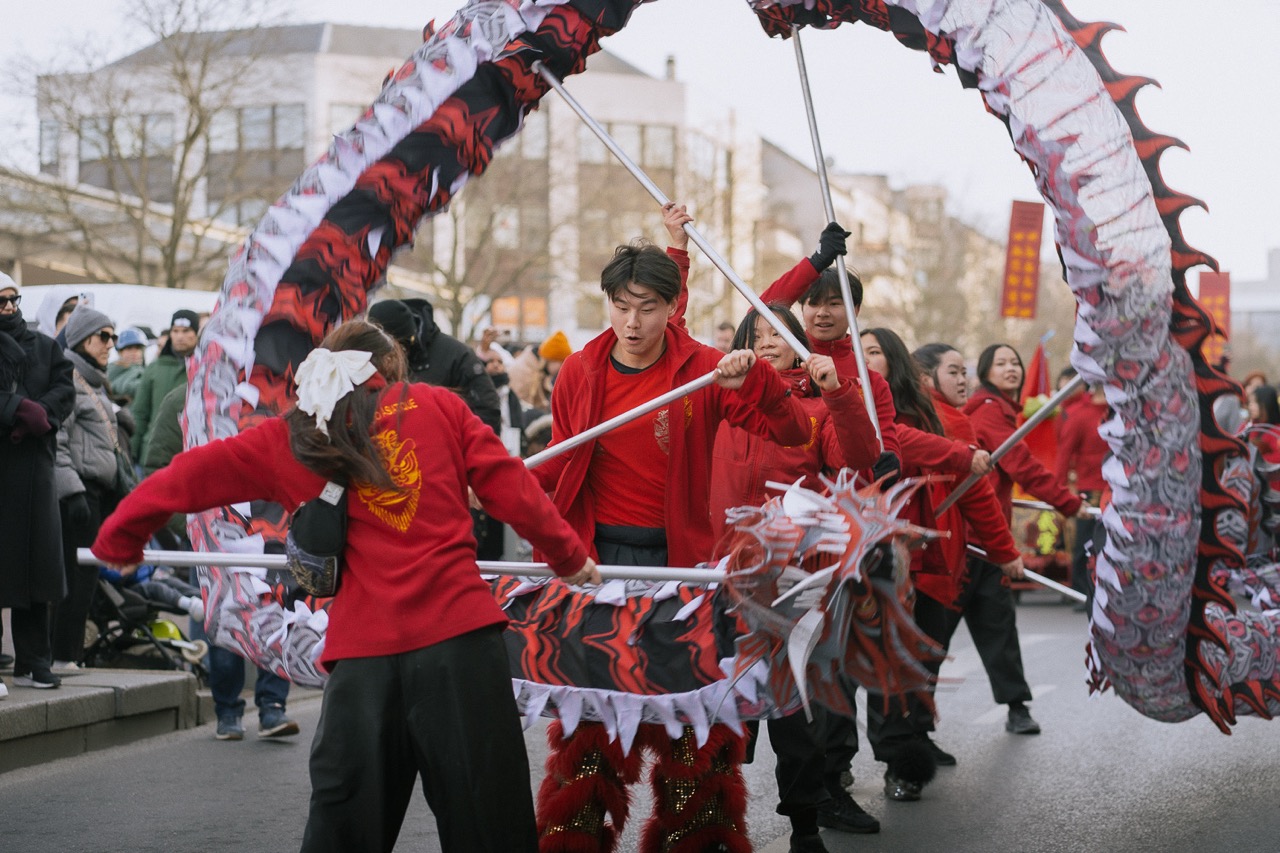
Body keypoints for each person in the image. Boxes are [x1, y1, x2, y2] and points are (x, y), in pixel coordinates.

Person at [91, 320, 598, 853]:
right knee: (489, 827)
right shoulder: (440, 406)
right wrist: (568, 556)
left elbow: (189, 474)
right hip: (461, 649)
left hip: (363, 665)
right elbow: (509, 486)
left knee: (343, 835)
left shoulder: (294, 435)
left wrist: (120, 537)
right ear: (390, 368)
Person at [528, 215, 811, 851]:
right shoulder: (578, 370)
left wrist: (761, 382)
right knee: (593, 716)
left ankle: (696, 837)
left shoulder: (708, 371)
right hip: (598, 569)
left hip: (683, 569)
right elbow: (558, 463)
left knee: (690, 716)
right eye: (621, 306)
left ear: (670, 307)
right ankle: (575, 834)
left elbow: (793, 432)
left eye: (648, 308)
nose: (632, 323)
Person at [711, 305, 879, 853]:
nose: (764, 342)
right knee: (716, 712)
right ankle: (712, 822)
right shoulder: (718, 395)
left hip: (790, 581)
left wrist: (838, 394)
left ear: (797, 341)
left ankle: (805, 825)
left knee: (795, 716)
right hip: (716, 573)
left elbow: (860, 458)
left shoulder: (818, 408)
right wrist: (678, 251)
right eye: (754, 333)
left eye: (775, 333)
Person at [859, 329, 1024, 798]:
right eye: (954, 370)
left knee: (911, 666)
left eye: (874, 352)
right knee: (874, 666)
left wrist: (1004, 550)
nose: (864, 359)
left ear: (895, 362)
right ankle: (837, 772)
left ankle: (904, 757)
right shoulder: (849, 405)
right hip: (868, 557)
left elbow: (975, 493)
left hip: (928, 565)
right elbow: (887, 440)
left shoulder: (943, 420)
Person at [963, 343, 1088, 735]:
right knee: (935, 635)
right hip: (968, 544)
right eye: (999, 363)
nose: (1011, 368)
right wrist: (1068, 503)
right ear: (985, 372)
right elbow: (1022, 465)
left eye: (1014, 362)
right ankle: (910, 732)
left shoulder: (1001, 410)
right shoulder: (987, 411)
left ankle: (1017, 706)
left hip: (989, 540)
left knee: (998, 626)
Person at [368, 297, 505, 559]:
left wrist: (467, 469)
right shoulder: (368, 360)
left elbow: (487, 409)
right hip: (386, 482)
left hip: (444, 482)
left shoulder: (454, 356)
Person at [0, 272, 75, 695]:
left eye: (14, 300)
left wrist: (41, 414)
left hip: (34, 470)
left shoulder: (43, 345)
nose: (10, 308)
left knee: (35, 570)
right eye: (1, 302)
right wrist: (14, 410)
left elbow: (64, 389)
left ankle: (34, 661)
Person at [52, 304, 131, 673]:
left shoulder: (95, 382)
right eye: (104, 336)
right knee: (76, 574)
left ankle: (68, 654)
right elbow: (58, 440)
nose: (110, 344)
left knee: (87, 576)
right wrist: (72, 492)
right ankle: (64, 655)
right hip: (79, 493)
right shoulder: (68, 378)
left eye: (113, 337)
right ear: (83, 339)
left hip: (99, 492)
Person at [1055, 383, 1110, 608]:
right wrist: (1058, 491)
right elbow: (1064, 453)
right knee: (1085, 544)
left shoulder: (1125, 411)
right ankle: (1081, 591)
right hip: (1091, 490)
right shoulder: (1078, 414)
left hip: (1121, 487)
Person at [129, 309, 199, 462]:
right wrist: (131, 453)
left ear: (196, 333)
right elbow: (140, 414)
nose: (180, 336)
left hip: (190, 455)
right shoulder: (154, 369)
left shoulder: (205, 370)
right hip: (152, 455)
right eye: (175, 331)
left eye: (186, 331)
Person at [107, 327, 148, 405]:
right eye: (129, 348)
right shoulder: (109, 370)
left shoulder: (145, 371)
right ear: (120, 352)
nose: (134, 352)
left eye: (137, 348)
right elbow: (127, 387)